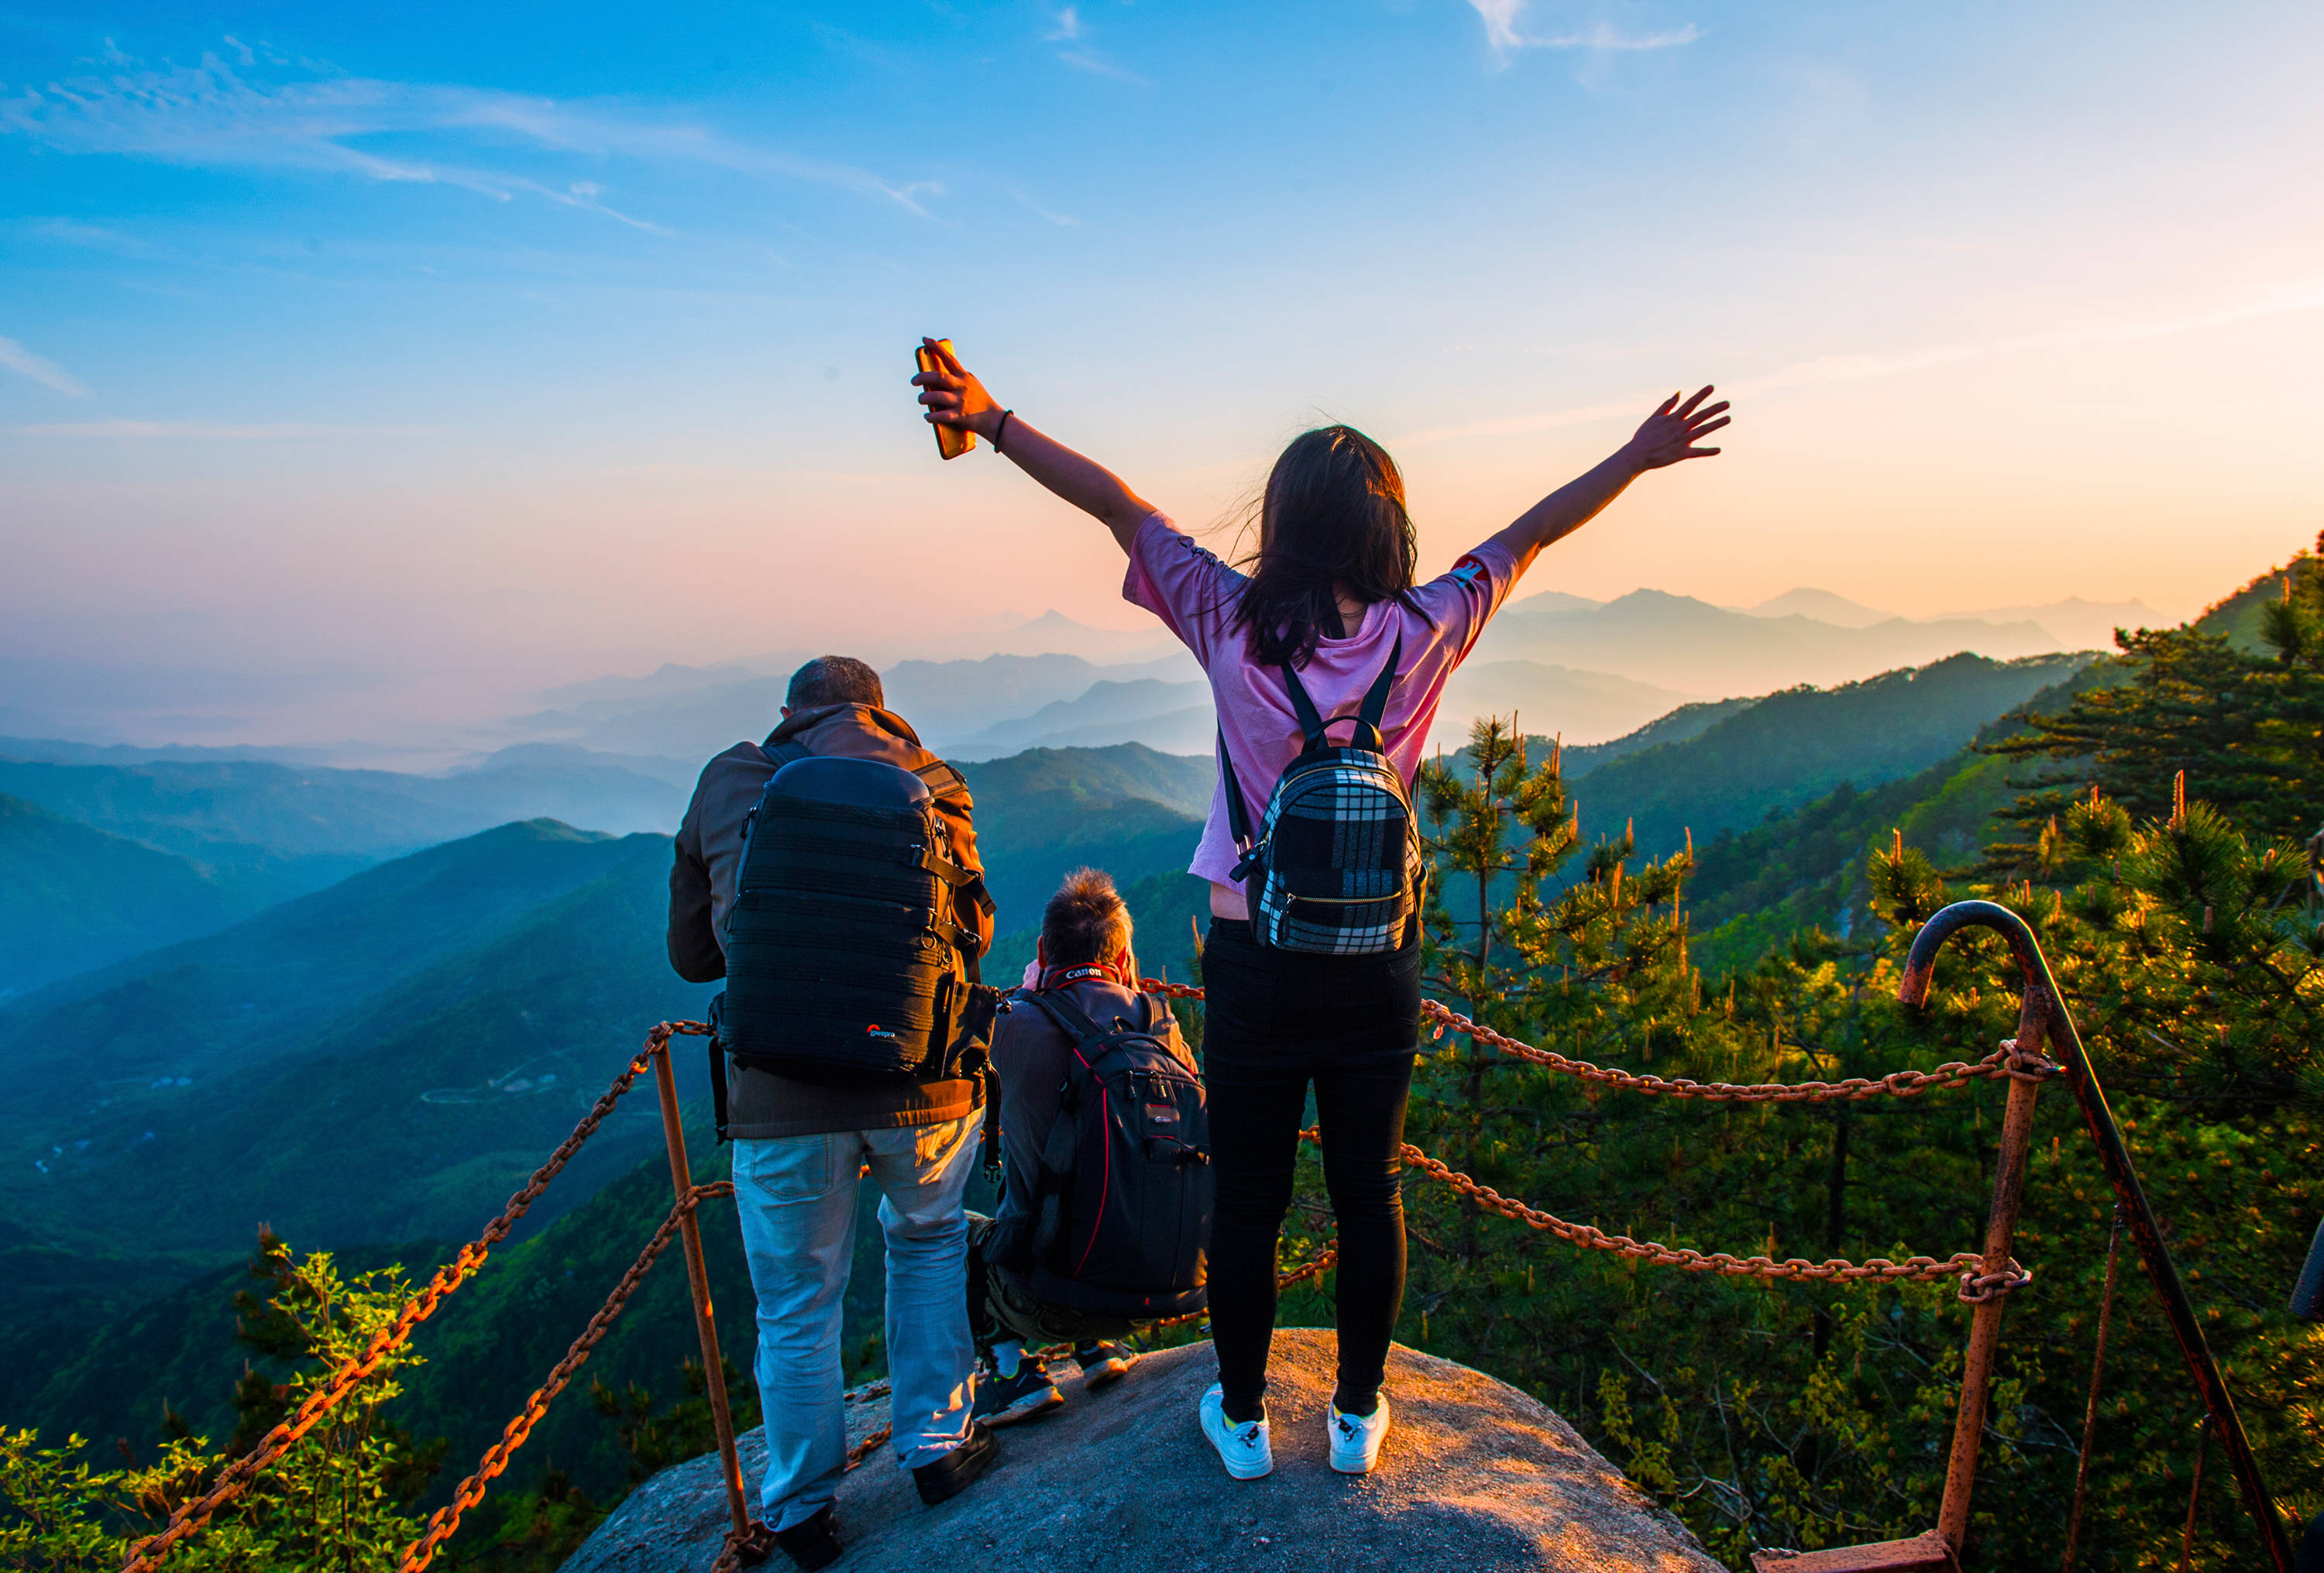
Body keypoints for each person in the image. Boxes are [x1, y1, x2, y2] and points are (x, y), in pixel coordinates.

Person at [910, 339, 1729, 1481]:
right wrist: (1636, 456)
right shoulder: (1429, 623)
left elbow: (1114, 503)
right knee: (1369, 1185)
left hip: (1254, 951)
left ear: (1284, 523)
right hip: (1378, 956)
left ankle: (1241, 1420)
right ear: (1387, 531)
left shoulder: (1225, 615)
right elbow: (1535, 529)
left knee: (1248, 1193)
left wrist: (991, 419)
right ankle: (1355, 1415)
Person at [667, 654, 1002, 1570]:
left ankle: (802, 1509)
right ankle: (937, 1449)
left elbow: (692, 955)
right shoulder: (935, 781)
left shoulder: (733, 776)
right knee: (928, 1242)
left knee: (795, 1303)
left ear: (787, 714)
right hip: (920, 1083)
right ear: (882, 713)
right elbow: (974, 934)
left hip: (780, 1091)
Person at [967, 867, 1202, 1426]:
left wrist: (1027, 995)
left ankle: (1009, 1372)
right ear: (1125, 958)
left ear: (1043, 949)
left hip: (1048, 1298)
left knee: (942, 1232)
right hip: (1155, 1297)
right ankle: (1099, 1350)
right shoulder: (1162, 1026)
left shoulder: (1012, 1025)